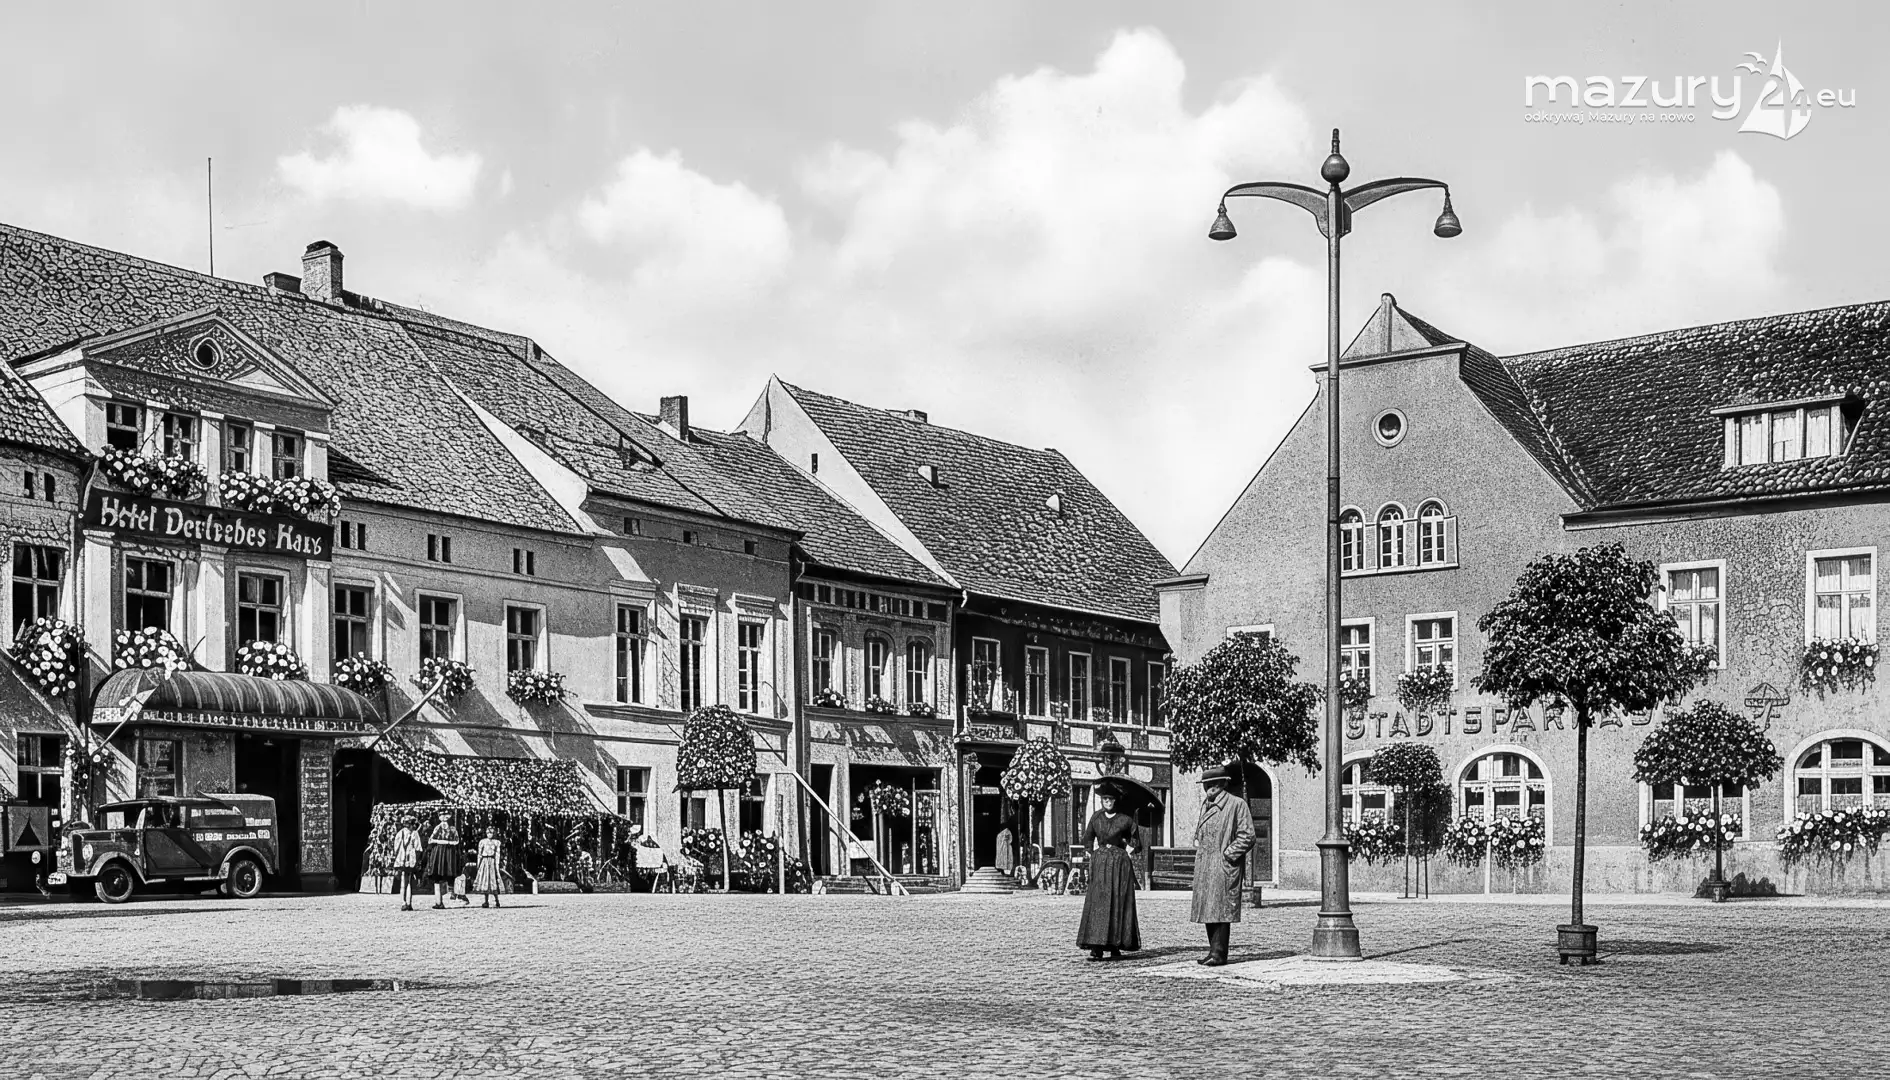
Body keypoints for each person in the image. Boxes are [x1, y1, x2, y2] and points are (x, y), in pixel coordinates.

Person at [1189, 764, 1256, 967]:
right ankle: (1213, 951)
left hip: (1222, 866)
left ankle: (1219, 954)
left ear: (1223, 784)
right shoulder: (1206, 805)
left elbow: (1247, 835)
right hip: (1206, 865)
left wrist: (1228, 854)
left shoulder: (1236, 804)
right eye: (1206, 785)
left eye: (1214, 784)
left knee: (1220, 909)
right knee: (1208, 909)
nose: (1209, 788)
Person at [1075, 789, 1141, 961]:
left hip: (1119, 864)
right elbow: (1087, 838)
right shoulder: (1096, 818)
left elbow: (1136, 841)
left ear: (1115, 801)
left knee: (1117, 900)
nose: (1108, 802)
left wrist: (1128, 849)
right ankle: (1096, 945)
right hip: (1101, 863)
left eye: (1111, 799)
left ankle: (1115, 944)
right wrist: (1092, 853)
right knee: (1099, 901)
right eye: (1105, 799)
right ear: (1101, 801)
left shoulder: (1125, 820)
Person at [424, 809, 463, 910]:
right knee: (437, 876)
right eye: (442, 815)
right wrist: (444, 842)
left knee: (449, 874)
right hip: (439, 852)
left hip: (449, 853)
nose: (444, 817)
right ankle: (438, 901)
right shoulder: (438, 828)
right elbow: (431, 839)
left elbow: (457, 841)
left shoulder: (453, 829)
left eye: (446, 815)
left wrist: (446, 842)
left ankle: (450, 897)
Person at [391, 813, 424, 911]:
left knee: (403, 881)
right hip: (411, 860)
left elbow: (395, 848)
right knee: (409, 882)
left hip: (401, 860)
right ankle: (409, 903)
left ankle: (403, 902)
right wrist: (417, 860)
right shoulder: (415, 834)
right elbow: (418, 848)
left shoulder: (400, 833)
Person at [473, 826, 504, 908]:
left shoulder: (496, 842)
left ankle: (497, 901)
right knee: (485, 881)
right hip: (484, 861)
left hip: (492, 862)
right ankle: (486, 901)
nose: (490, 834)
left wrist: (497, 864)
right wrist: (478, 864)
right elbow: (479, 854)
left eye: (491, 833)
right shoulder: (482, 842)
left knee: (493, 881)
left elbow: (497, 854)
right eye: (488, 833)